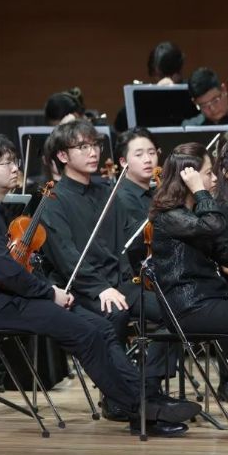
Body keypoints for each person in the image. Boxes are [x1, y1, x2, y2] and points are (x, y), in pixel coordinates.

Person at [0, 134, 201, 437]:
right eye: (5, 163)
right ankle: (142, 409)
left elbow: (16, 270)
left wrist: (48, 291)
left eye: (14, 161)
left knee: (102, 327)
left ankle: (144, 400)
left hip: (14, 298)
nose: (15, 168)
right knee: (86, 332)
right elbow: (7, 273)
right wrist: (50, 292)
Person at [39, 120, 172, 419]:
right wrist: (100, 288)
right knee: (115, 313)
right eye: (83, 146)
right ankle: (117, 398)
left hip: (120, 283)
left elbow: (128, 240)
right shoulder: (54, 200)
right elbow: (67, 258)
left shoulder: (107, 191)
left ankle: (148, 386)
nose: (93, 152)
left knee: (175, 310)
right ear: (62, 155)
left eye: (95, 145)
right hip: (84, 289)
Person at [163, 142, 228, 400]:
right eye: (208, 173)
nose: (215, 179)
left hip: (209, 299)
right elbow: (213, 226)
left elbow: (223, 252)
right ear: (188, 178)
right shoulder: (171, 216)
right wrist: (201, 192)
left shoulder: (192, 214)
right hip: (188, 307)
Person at [114, 128, 160, 273]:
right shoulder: (120, 197)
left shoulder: (156, 191)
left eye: (152, 153)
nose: (148, 160)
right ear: (123, 162)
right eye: (139, 155)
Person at [115, 42, 185, 131]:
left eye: (161, 74)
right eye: (158, 75)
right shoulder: (145, 97)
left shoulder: (191, 91)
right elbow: (120, 124)